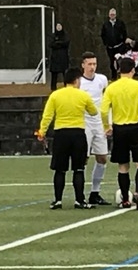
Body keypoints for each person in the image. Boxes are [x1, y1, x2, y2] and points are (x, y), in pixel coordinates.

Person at [37, 67, 99, 210]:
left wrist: (42, 131)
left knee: (60, 169)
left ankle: (58, 200)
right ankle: (80, 200)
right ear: (76, 80)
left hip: (61, 134)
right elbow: (93, 112)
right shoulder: (83, 95)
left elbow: (47, 116)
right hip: (78, 134)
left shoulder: (55, 95)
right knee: (79, 169)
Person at [100, 57, 138, 210]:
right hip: (136, 127)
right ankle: (137, 193)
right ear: (133, 70)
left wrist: (106, 126)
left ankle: (125, 199)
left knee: (123, 166)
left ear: (119, 70)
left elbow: (103, 110)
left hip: (119, 129)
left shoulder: (111, 88)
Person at [79, 51, 111, 205]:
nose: (92, 67)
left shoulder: (102, 79)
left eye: (94, 64)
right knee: (83, 158)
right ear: (83, 65)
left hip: (99, 123)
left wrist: (108, 122)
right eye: (89, 64)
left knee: (102, 157)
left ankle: (95, 192)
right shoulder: (79, 82)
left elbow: (107, 101)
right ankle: (80, 194)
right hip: (84, 123)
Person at [100, 8, 128, 80]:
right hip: (110, 47)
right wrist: (106, 43)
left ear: (115, 15)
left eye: (113, 14)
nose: (112, 16)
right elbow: (103, 35)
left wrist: (123, 41)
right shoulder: (105, 24)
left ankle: (121, 76)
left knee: (120, 62)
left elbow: (124, 33)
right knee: (111, 62)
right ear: (109, 15)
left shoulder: (120, 23)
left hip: (119, 46)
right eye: (111, 14)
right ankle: (113, 77)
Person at [49, 23, 70, 91]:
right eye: (57, 26)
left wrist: (58, 43)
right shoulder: (53, 35)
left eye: (60, 26)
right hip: (55, 58)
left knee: (65, 73)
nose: (58, 27)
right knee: (54, 74)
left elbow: (66, 43)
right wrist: (59, 44)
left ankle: (67, 87)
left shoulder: (65, 35)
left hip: (63, 57)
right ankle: (53, 88)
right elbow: (51, 44)